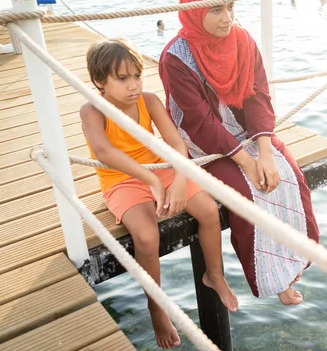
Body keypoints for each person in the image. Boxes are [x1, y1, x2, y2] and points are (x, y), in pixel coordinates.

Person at [159, 0, 320, 306]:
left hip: (248, 132)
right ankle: (273, 280)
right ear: (194, 9)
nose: (227, 18)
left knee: (289, 177)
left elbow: (259, 96)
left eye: (230, 7)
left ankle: (290, 269)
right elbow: (200, 122)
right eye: (215, 10)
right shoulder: (176, 58)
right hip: (201, 143)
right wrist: (246, 162)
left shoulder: (243, 40)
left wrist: (263, 151)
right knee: (249, 195)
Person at [81, 38, 238, 349]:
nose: (133, 85)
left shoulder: (149, 100)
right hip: (121, 180)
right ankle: (157, 308)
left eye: (137, 76)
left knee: (208, 211)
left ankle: (215, 275)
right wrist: (150, 182)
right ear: (100, 81)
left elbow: (176, 144)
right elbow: (104, 152)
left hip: (161, 170)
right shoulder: (92, 110)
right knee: (147, 237)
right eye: (122, 79)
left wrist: (179, 179)